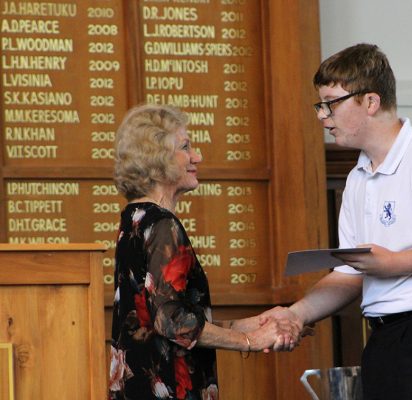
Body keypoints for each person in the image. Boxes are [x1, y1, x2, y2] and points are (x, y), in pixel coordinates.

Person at [261, 43, 412, 400]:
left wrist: (392, 263)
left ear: (370, 102)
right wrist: (296, 315)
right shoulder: (358, 177)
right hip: (384, 335)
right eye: (321, 104)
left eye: (331, 103)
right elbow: (351, 272)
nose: (322, 116)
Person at [108, 104, 300, 399]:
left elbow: (166, 319)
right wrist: (248, 340)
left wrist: (254, 323)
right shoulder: (163, 225)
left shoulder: (133, 219)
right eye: (186, 147)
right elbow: (171, 321)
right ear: (156, 159)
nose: (198, 156)